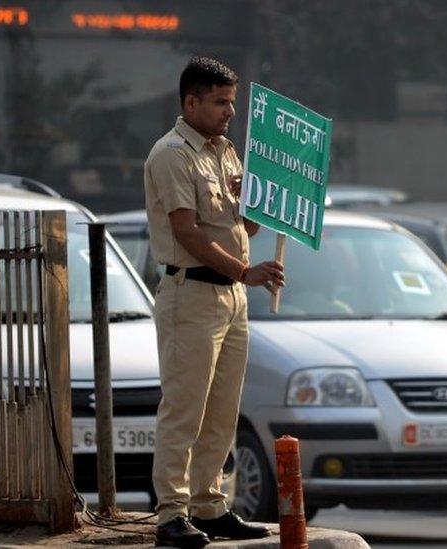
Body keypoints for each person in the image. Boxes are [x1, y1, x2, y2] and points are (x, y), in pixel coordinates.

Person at [143, 56, 284, 548]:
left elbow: (242, 229)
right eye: (221, 102)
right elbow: (188, 232)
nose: (230, 113)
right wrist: (246, 272)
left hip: (230, 299)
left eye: (233, 102)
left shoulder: (224, 152)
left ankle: (209, 504)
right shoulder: (172, 154)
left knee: (223, 409)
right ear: (191, 102)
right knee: (185, 408)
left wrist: (255, 206)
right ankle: (171, 514)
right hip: (191, 292)